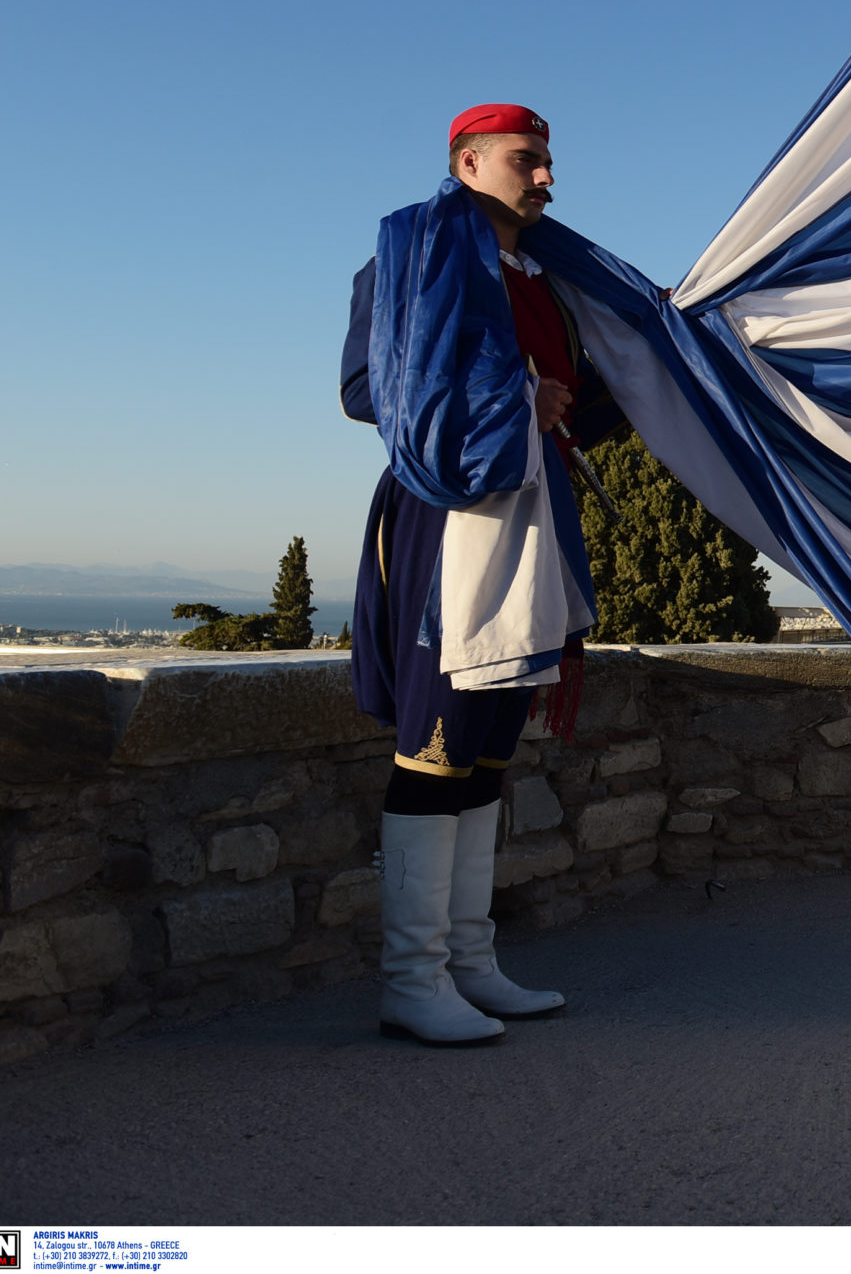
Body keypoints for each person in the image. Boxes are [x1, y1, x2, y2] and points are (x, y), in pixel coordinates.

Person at [339, 103, 622, 1046]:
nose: (545, 179)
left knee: (489, 744)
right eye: (525, 161)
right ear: (467, 163)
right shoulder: (409, 262)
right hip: (450, 522)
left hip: (534, 521)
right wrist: (511, 397)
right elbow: (364, 391)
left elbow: (579, 405)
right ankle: (410, 981)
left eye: (547, 162)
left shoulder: (542, 278)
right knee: (437, 743)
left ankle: (469, 962)